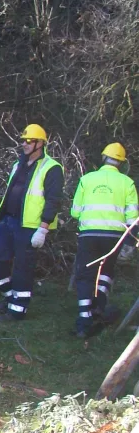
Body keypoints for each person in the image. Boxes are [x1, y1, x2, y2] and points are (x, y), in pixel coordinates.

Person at [0, 124, 63, 322]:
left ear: (40, 143)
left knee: (23, 268)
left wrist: (43, 229)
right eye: (23, 140)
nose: (24, 144)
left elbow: (54, 200)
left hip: (30, 226)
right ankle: (10, 295)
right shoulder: (18, 164)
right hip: (8, 221)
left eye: (29, 141)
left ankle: (17, 310)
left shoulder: (52, 168)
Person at [70, 142, 138, 338]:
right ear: (121, 162)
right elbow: (133, 219)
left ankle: (84, 319)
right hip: (114, 236)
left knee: (85, 275)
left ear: (103, 157)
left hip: (89, 234)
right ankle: (99, 307)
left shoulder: (86, 179)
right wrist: (131, 243)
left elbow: (75, 212)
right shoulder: (127, 183)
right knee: (106, 272)